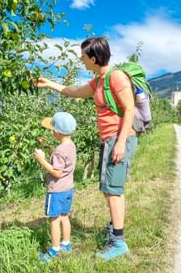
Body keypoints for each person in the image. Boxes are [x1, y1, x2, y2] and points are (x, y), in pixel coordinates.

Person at [32, 36, 137, 261]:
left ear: (94, 57)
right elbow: (74, 91)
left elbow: (130, 109)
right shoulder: (98, 81)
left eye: (83, 56)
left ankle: (119, 242)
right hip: (109, 139)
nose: (80, 59)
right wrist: (50, 83)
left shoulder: (116, 77)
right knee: (110, 189)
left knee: (113, 190)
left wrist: (119, 143)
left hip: (119, 138)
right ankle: (115, 230)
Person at [34, 111, 77, 264]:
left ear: (57, 133)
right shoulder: (70, 145)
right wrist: (46, 147)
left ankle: (54, 250)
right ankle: (66, 244)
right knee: (65, 217)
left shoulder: (60, 150)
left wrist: (42, 160)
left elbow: (57, 172)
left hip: (57, 190)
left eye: (52, 129)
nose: (51, 131)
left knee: (54, 220)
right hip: (68, 189)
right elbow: (60, 158)